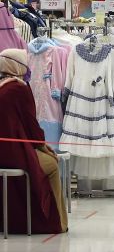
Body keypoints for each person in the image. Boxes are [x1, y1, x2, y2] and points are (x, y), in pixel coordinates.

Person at [0, 49, 67, 234]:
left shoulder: (3, 87)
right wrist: (43, 147)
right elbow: (31, 126)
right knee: (52, 164)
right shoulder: (19, 88)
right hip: (13, 154)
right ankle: (56, 221)